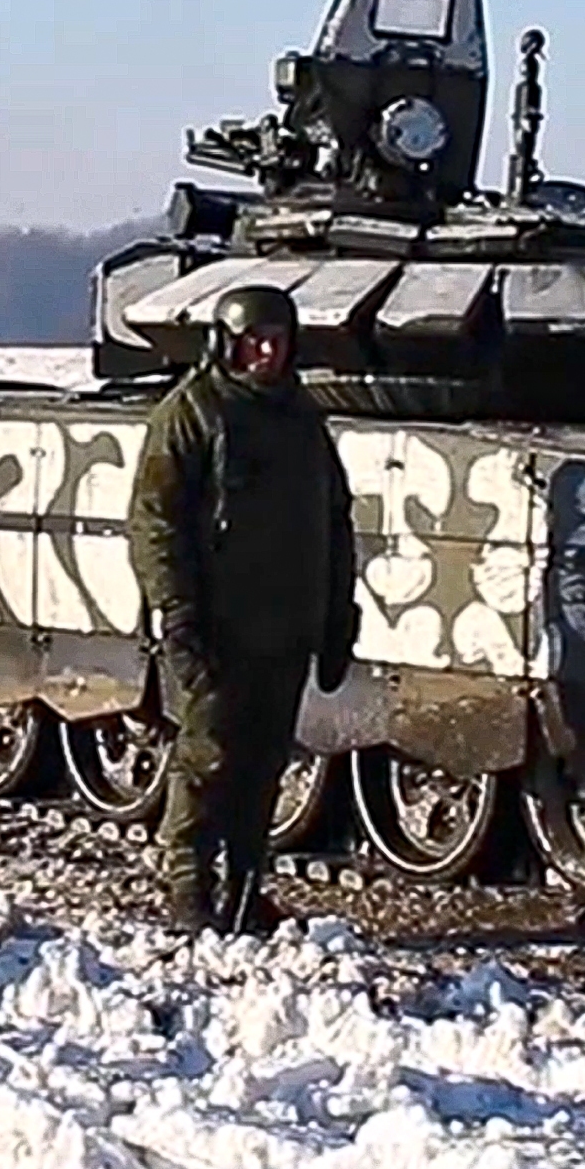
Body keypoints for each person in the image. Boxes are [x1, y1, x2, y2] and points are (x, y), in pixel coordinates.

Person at [124, 283, 360, 938]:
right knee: (208, 758)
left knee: (263, 764)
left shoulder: (300, 418)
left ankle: (246, 885)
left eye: (277, 341)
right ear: (225, 343)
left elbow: (333, 520)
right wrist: (174, 611)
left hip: (284, 624)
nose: (265, 352)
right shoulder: (193, 413)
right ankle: (186, 887)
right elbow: (154, 522)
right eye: (253, 340)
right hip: (216, 621)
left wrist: (338, 611)